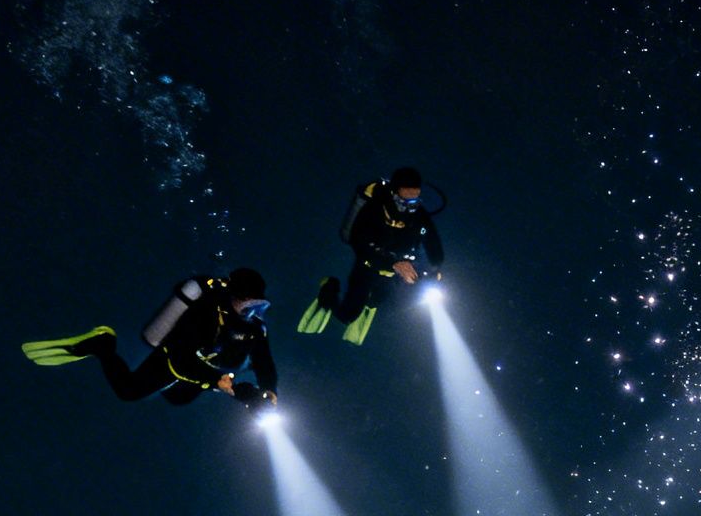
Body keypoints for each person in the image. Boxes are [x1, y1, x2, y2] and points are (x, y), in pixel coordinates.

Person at [22, 268, 278, 409]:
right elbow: (182, 359)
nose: (251, 311)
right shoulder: (207, 310)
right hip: (175, 359)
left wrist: (269, 390)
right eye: (247, 303)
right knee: (129, 391)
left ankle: (206, 384)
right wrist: (218, 382)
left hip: (205, 366)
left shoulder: (254, 326)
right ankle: (103, 345)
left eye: (257, 306)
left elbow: (263, 359)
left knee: (178, 398)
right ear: (234, 296)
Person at [297, 166, 444, 344]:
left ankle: (372, 301)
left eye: (415, 198)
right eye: (406, 198)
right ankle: (329, 288)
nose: (411, 205)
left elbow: (432, 242)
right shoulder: (374, 209)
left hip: (394, 272)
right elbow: (359, 243)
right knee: (347, 316)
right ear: (394, 192)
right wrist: (393, 263)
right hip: (367, 266)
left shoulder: (419, 215)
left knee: (381, 300)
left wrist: (435, 267)